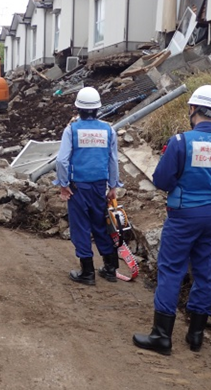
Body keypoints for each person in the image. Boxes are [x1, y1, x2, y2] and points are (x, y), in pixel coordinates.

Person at [132, 85, 211, 355]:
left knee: (171, 270)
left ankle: (161, 336)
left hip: (183, 216)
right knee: (204, 270)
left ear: (193, 109)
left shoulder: (181, 142)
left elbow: (161, 180)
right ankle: (195, 335)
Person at [54, 86, 122, 286]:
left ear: (78, 109)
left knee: (81, 228)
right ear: (98, 109)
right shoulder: (109, 130)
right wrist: (113, 186)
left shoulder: (72, 130)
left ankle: (87, 272)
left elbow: (61, 161)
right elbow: (113, 161)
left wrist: (63, 185)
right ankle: (110, 268)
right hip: (99, 186)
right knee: (101, 225)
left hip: (78, 187)